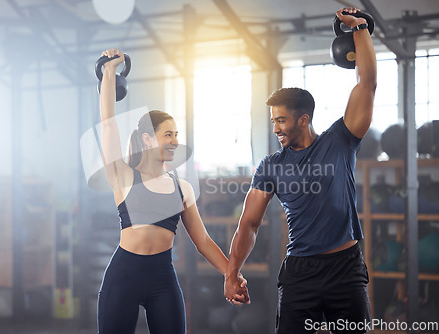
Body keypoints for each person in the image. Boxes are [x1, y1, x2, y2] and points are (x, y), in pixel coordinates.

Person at [224, 7, 377, 334]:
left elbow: (367, 83)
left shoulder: (340, 141)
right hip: (300, 272)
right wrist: (232, 272)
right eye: (273, 121)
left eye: (281, 120)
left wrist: (360, 28)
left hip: (345, 269)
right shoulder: (271, 166)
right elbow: (248, 223)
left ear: (303, 119)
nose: (275, 128)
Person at [96, 48, 248, 334]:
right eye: (168, 134)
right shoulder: (125, 176)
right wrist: (108, 73)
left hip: (162, 279)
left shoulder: (183, 188)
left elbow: (202, 240)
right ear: (146, 139)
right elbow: (108, 126)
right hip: (123, 276)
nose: (175, 141)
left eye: (177, 135)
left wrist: (233, 274)